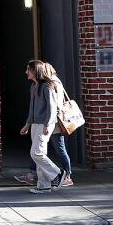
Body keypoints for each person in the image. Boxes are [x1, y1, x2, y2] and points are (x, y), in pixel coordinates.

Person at [17, 60, 71, 193]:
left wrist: (47, 124)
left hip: (45, 123)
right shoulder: (34, 86)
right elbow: (32, 108)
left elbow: (52, 108)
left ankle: (57, 174)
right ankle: (43, 185)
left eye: (28, 69)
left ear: (35, 71)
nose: (26, 72)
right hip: (35, 123)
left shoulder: (47, 86)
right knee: (41, 153)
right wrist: (27, 124)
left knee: (36, 153)